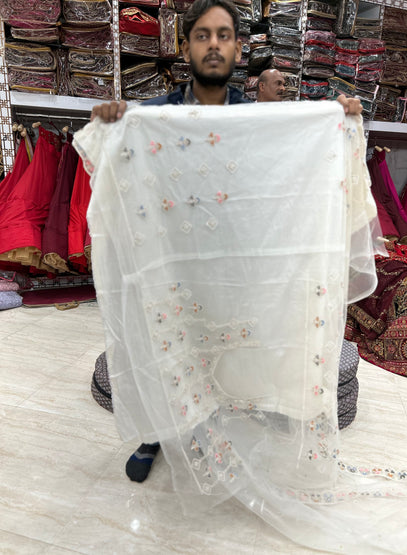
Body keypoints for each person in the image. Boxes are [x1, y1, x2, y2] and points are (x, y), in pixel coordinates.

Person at [90, 0, 364, 484]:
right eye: (202, 35)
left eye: (223, 35)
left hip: (228, 259)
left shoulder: (252, 117)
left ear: (239, 49)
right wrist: (114, 123)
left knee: (225, 345)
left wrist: (336, 119)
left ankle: (224, 416)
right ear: (186, 46)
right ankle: (154, 431)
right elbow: (116, 167)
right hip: (173, 257)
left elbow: (287, 153)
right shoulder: (155, 114)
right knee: (163, 341)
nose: (213, 44)